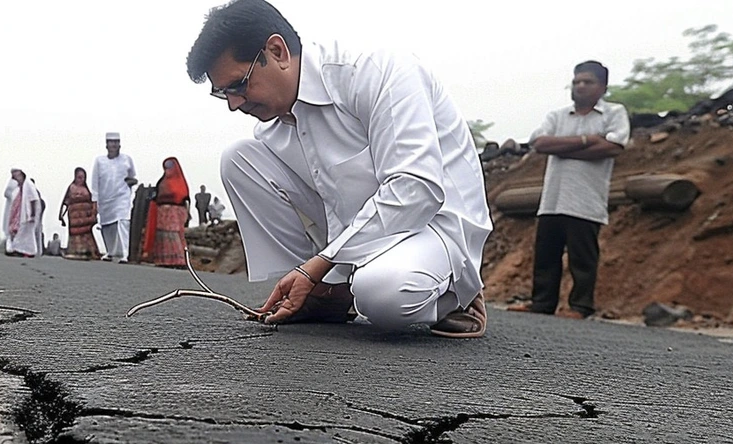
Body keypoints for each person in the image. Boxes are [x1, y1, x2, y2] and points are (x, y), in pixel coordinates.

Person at [186, 0, 492, 337]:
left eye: (238, 85)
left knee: (383, 293)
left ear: (277, 51)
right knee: (239, 159)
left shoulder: (376, 71)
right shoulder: (272, 128)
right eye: (222, 93)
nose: (233, 104)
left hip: (433, 226)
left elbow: (416, 187)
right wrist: (318, 270)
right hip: (360, 235)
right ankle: (322, 297)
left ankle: (452, 296)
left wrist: (318, 265)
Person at [509, 61, 630, 319]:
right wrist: (589, 141)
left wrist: (562, 147)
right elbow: (540, 143)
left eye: (588, 82)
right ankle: (542, 303)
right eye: (577, 82)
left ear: (603, 87)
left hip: (586, 199)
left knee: (582, 258)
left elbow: (613, 146)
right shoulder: (558, 116)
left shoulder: (614, 113)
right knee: (546, 255)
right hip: (553, 199)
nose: (580, 86)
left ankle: (580, 306)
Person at [91, 132, 138, 263]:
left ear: (120, 144)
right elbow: (95, 182)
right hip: (105, 199)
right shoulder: (99, 161)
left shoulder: (127, 159)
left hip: (122, 197)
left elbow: (133, 176)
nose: (114, 145)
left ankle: (125, 254)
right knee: (107, 226)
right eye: (111, 142)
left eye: (116, 142)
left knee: (123, 222)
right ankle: (110, 252)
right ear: (106, 145)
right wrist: (94, 200)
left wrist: (131, 182)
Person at [140, 157, 191, 267]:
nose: (168, 169)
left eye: (170, 166)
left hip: (174, 213)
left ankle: (178, 260)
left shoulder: (180, 182)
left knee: (173, 235)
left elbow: (184, 199)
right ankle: (163, 259)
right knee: (162, 235)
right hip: (162, 212)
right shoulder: (162, 181)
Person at [59, 167, 102, 260]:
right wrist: (61, 216)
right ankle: (75, 251)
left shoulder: (87, 190)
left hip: (85, 217)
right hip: (75, 217)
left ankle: (89, 252)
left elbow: (93, 201)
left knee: (86, 234)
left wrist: (93, 212)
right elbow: (65, 202)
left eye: (83, 177)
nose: (81, 179)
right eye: (79, 177)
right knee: (76, 235)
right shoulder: (71, 188)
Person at [5, 167, 42, 257]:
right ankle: (20, 250)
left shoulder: (29, 184)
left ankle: (28, 252)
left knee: (27, 235)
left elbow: (34, 199)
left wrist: (32, 215)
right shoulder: (18, 188)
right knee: (20, 234)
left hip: (28, 214)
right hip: (20, 215)